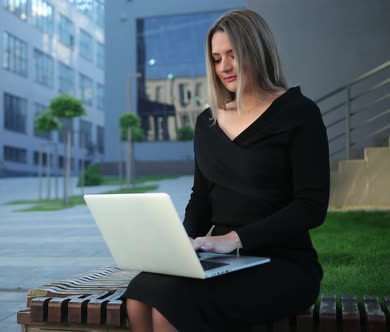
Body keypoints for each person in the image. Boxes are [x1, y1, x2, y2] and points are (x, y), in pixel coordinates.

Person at [124, 9, 330, 332]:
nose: (225, 67)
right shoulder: (207, 123)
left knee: (172, 306)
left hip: (284, 263)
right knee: (139, 294)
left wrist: (233, 239)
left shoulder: (300, 114)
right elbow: (201, 199)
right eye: (217, 58)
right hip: (223, 261)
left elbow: (311, 207)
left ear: (257, 50)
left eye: (232, 55)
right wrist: (181, 246)